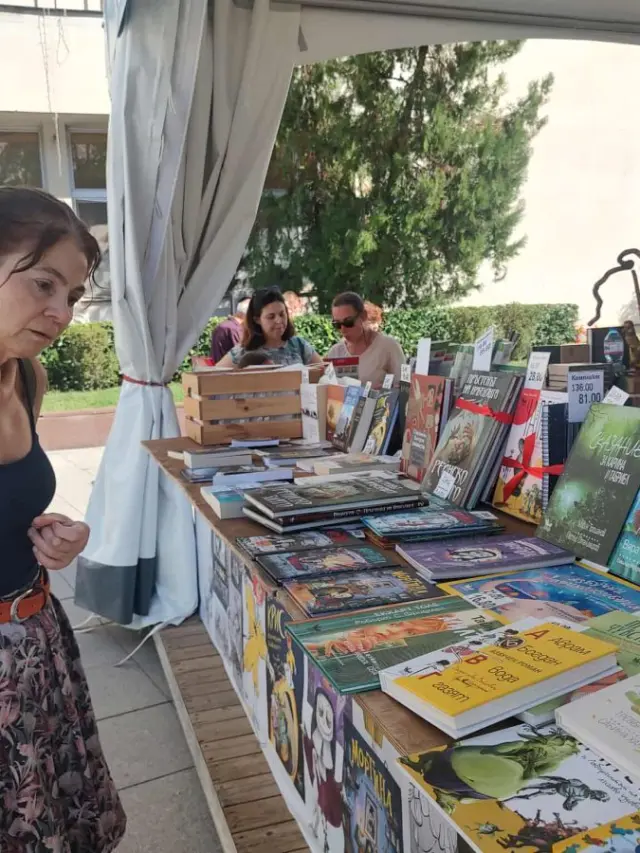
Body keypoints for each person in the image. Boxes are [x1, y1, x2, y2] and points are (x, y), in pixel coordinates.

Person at [0, 187, 126, 851]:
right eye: (43, 283)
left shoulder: (27, 378)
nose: (62, 313)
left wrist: (54, 534)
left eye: (73, 295)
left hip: (40, 639)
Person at [216, 287, 324, 368]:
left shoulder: (299, 346)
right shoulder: (242, 351)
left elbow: (324, 374)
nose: (279, 320)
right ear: (257, 319)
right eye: (271, 317)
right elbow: (213, 378)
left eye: (282, 314)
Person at [326, 291, 405, 386]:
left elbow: (404, 388)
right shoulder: (335, 353)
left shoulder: (389, 347)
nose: (343, 329)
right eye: (337, 324)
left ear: (363, 316)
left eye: (348, 322)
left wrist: (383, 392)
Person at [209, 295, 251, 362]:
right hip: (228, 367)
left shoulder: (226, 325)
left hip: (218, 366)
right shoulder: (234, 329)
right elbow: (243, 356)